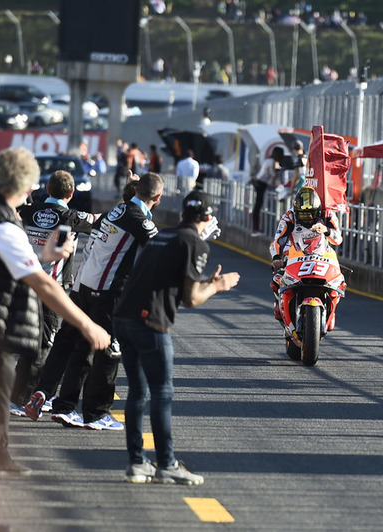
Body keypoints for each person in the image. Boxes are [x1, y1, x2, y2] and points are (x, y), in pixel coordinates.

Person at [0, 147, 110, 532]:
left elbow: (7, 260)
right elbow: (43, 284)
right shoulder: (0, 224)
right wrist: (87, 325)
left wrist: (46, 253)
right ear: (24, 184)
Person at [113, 190, 239, 485]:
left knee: (137, 392)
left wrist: (204, 283)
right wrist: (217, 286)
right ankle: (167, 463)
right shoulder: (195, 242)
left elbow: (171, 279)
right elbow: (191, 298)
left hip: (123, 316)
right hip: (150, 322)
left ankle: (136, 463)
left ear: (183, 214)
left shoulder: (162, 235)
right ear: (208, 219)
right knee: (162, 393)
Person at [42, 173, 162, 430]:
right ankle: (96, 413)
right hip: (108, 293)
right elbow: (161, 251)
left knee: (80, 349)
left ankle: (64, 406)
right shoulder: (138, 219)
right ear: (158, 197)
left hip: (84, 286)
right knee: (108, 351)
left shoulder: (118, 210)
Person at [12, 171, 100, 415]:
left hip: (24, 282)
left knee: (25, 339)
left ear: (47, 190)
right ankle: (23, 397)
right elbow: (104, 221)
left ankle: (19, 393)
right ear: (71, 194)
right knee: (42, 343)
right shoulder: (71, 216)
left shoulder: (29, 211)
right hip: (51, 288)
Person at [269, 186, 343, 329]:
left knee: (340, 282)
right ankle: (281, 307)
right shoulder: (289, 217)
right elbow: (278, 239)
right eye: (303, 215)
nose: (308, 218)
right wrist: (277, 257)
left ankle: (330, 311)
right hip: (296, 257)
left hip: (321, 258)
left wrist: (326, 231)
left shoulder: (327, 214)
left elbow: (338, 239)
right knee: (276, 280)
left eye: (311, 214)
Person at [251, 146, 286, 237]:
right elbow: (273, 174)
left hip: (259, 182)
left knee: (258, 206)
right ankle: (255, 229)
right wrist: (280, 169)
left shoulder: (269, 160)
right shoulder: (272, 162)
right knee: (258, 206)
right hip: (261, 183)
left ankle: (255, 228)